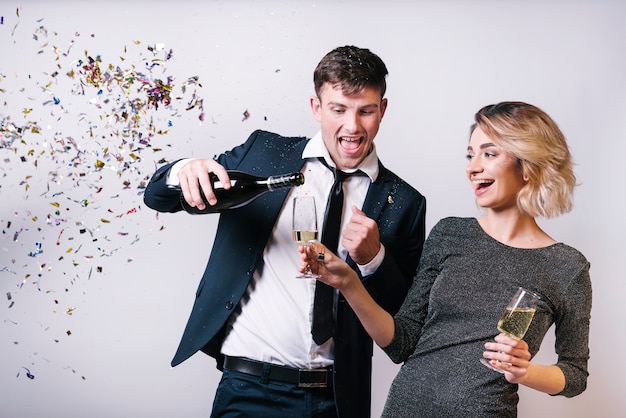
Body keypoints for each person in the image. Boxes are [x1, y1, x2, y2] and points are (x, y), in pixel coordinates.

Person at [143, 45, 427, 418]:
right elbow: (158, 197)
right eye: (338, 109)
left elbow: (403, 322)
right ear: (316, 107)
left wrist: (375, 259)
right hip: (247, 390)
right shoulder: (264, 153)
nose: (352, 127)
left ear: (383, 110)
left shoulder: (404, 201)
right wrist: (183, 170)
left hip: (337, 400)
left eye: (366, 111)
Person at [300, 101, 592, 417]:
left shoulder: (565, 267)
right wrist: (349, 282)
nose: (472, 167)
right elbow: (402, 342)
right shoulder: (450, 233)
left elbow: (575, 374)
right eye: (471, 155)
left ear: (528, 164)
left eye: (489, 154)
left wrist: (525, 371)